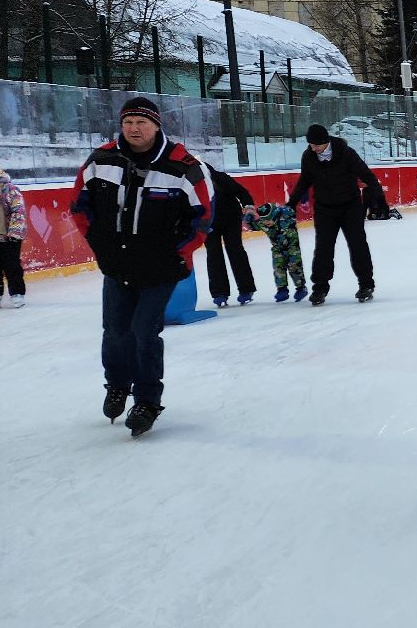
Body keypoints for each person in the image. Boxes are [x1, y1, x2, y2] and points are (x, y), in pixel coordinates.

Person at [70, 97, 212, 437]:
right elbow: (79, 206)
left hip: (161, 268)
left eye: (141, 122)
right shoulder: (100, 160)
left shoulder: (184, 166)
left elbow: (202, 218)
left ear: (156, 125)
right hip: (117, 264)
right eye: (128, 122)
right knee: (115, 331)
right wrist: (101, 246)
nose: (134, 129)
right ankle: (117, 385)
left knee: (144, 331)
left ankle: (147, 400)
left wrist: (177, 254)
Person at [288, 124, 379, 305]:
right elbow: (305, 180)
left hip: (350, 207)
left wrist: (376, 197)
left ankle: (366, 284)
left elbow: (366, 174)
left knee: (358, 245)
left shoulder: (346, 153)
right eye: (310, 145)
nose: (313, 148)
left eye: (316, 145)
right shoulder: (309, 156)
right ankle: (320, 288)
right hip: (324, 209)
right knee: (323, 248)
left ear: (325, 142)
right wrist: (292, 202)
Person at [201, 164, 257, 307]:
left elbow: (241, 191)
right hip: (208, 222)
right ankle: (219, 292)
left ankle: (246, 289)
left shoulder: (220, 178)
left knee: (235, 250)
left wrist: (248, 206)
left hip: (231, 218)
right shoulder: (192, 184)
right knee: (213, 253)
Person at [245, 201, 308, 302]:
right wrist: (248, 220)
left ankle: (301, 287)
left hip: (292, 247)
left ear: (275, 215)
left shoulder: (286, 217)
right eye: (263, 220)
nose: (266, 223)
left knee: (294, 266)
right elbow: (254, 225)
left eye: (268, 220)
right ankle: (282, 290)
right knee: (278, 267)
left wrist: (286, 209)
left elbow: (291, 212)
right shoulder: (264, 223)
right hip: (277, 248)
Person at [0, 164, 25, 307]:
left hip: (9, 235)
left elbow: (18, 210)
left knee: (12, 266)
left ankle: (17, 293)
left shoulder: (9, 189)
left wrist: (14, 232)